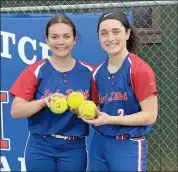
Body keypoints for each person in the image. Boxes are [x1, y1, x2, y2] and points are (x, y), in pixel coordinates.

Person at [9, 15, 93, 172]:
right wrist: (43, 102)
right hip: (40, 145)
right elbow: (16, 111)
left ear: (74, 39)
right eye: (54, 37)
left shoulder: (89, 72)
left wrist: (85, 111)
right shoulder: (35, 71)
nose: (61, 42)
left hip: (74, 146)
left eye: (66, 36)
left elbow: (99, 111)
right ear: (47, 40)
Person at [80, 12, 158, 171]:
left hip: (128, 143)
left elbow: (150, 116)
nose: (110, 38)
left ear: (128, 33)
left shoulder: (138, 69)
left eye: (116, 32)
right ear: (99, 38)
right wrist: (86, 111)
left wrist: (109, 119)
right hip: (100, 142)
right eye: (104, 33)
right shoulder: (97, 72)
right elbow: (99, 109)